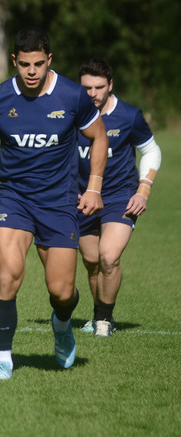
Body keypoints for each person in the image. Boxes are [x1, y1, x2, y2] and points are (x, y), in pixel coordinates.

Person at [0, 27, 109, 380]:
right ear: (14, 61)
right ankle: (3, 359)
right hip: (15, 199)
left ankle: (61, 324)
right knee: (8, 274)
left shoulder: (72, 96)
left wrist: (94, 187)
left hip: (59, 204)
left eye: (38, 64)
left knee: (62, 292)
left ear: (49, 61)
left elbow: (98, 135)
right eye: (24, 64)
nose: (31, 72)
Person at [76, 57, 162, 337]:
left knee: (109, 257)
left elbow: (151, 151)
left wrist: (144, 189)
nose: (93, 94)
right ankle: (97, 313)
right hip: (82, 198)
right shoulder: (69, 113)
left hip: (120, 196)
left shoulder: (128, 116)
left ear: (110, 85)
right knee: (91, 261)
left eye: (99, 87)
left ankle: (104, 319)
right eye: (87, 87)